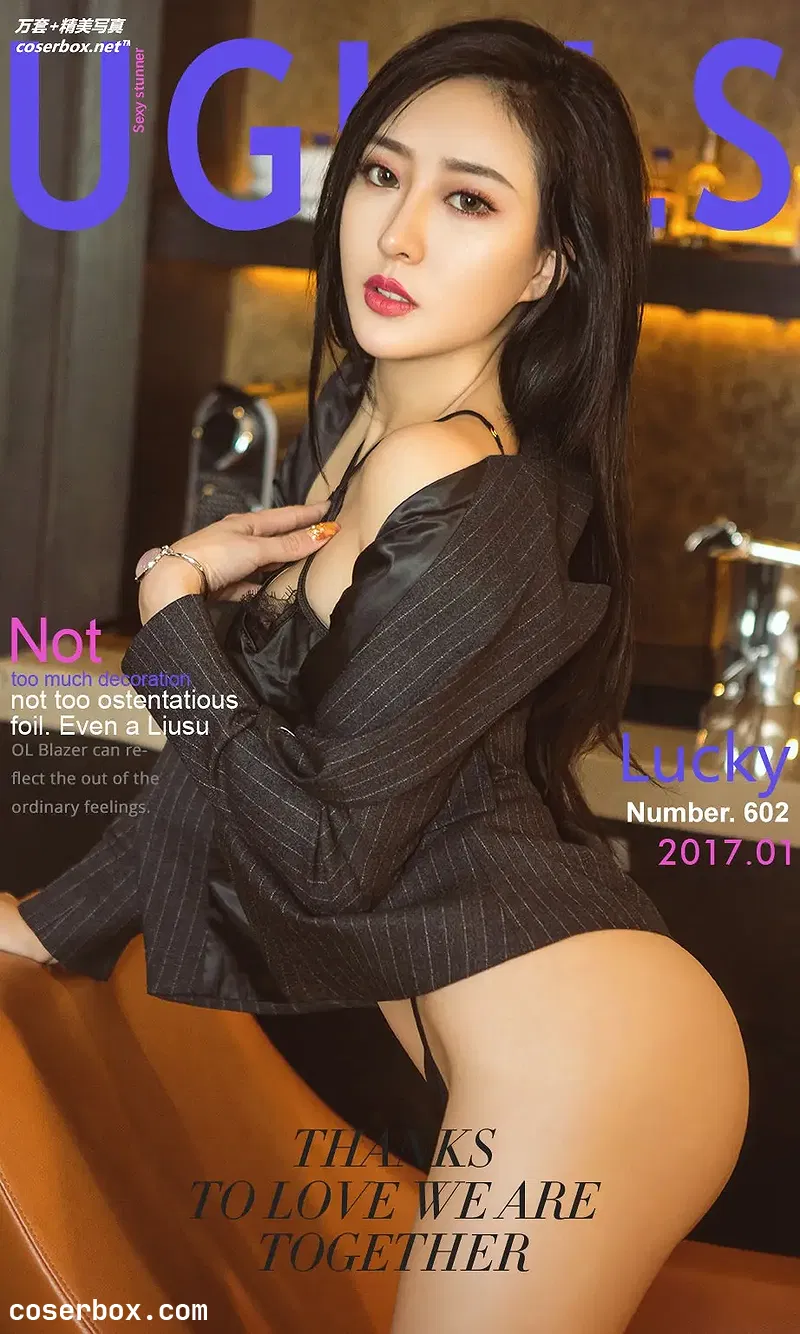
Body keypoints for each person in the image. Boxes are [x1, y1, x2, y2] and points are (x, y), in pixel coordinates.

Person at [1, 18, 748, 1333]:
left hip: (589, 1053)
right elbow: (246, 777)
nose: (397, 235)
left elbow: (326, 855)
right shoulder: (360, 432)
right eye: (382, 175)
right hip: (531, 1043)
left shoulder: (453, 473)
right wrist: (52, 925)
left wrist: (173, 627)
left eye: (468, 200)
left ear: (549, 265)